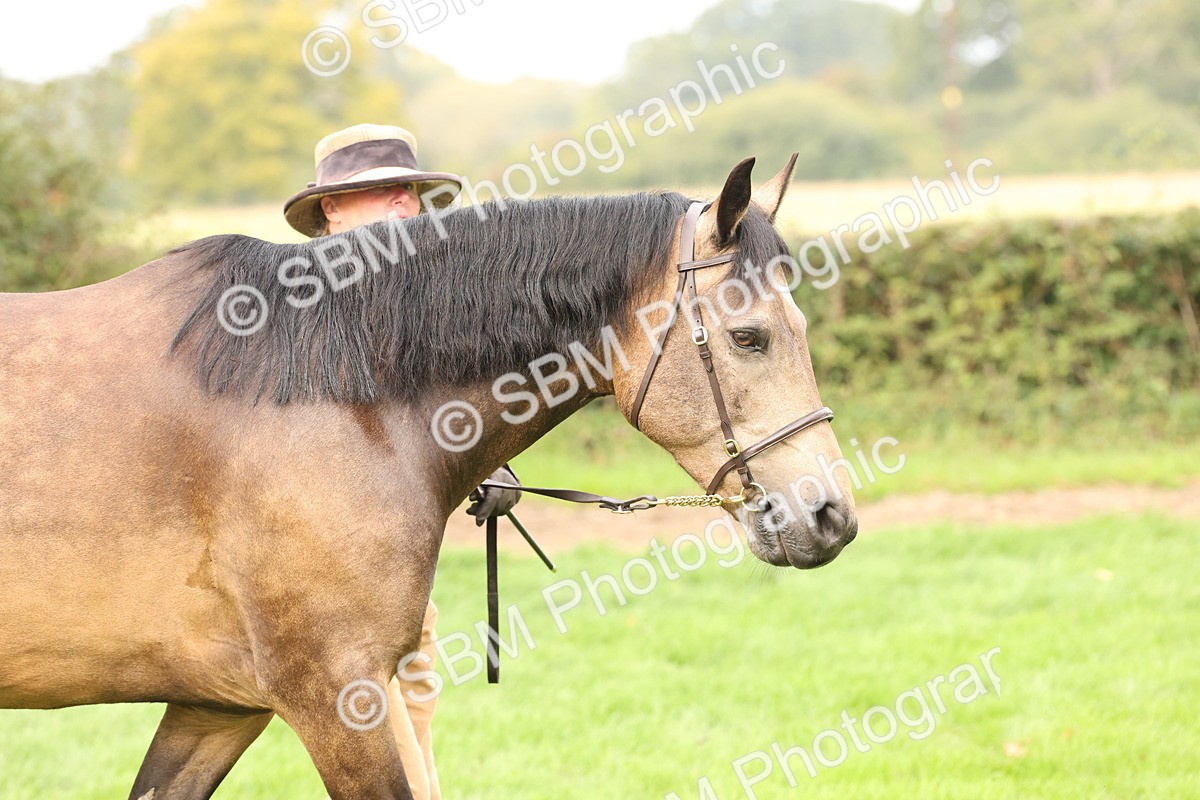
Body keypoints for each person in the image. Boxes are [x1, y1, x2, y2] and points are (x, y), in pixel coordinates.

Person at [284, 123, 521, 800]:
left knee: (418, 708)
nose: (404, 205)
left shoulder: (404, 297)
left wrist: (483, 462)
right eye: (384, 192)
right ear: (332, 208)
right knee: (395, 763)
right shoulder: (303, 302)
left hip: (401, 566)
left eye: (409, 191)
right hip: (335, 574)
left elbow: (417, 419)